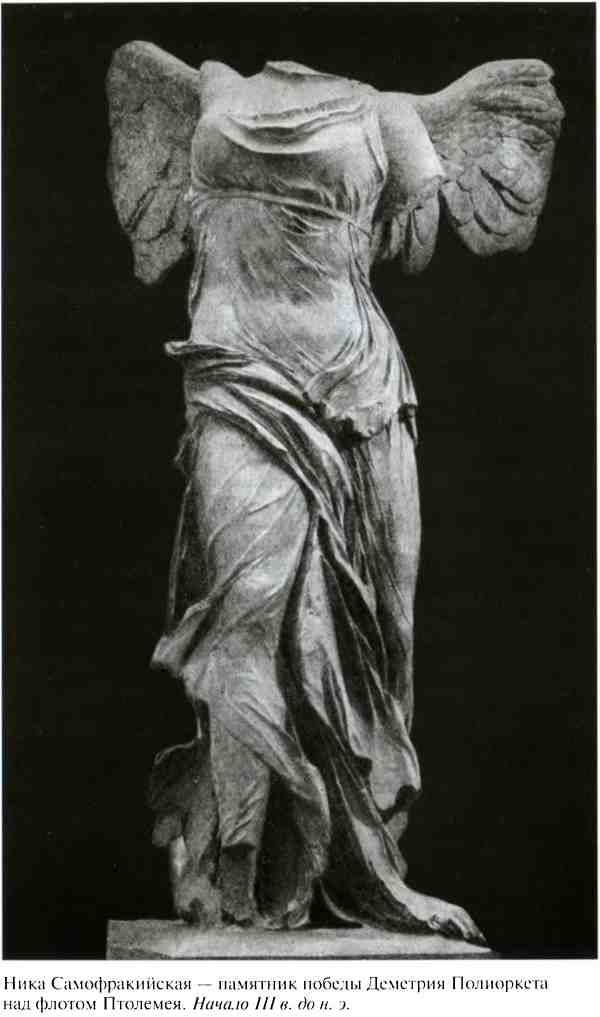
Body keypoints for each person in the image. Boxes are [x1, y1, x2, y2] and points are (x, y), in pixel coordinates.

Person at [107, 45, 562, 942]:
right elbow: (410, 231)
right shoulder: (208, 92)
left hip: (359, 396)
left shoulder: (387, 114)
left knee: (377, 640)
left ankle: (351, 860)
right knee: (241, 617)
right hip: (237, 374)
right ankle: (240, 872)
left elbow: (414, 233)